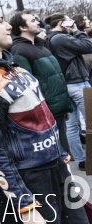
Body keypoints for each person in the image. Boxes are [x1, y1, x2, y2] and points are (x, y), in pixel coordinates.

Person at [0, 6, 88, 223]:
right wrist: (23, 204)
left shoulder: (13, 66)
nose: (8, 26)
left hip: (55, 168)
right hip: (29, 179)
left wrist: (61, 156)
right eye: (0, 21)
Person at [8, 11, 73, 158]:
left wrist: (63, 105)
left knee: (64, 153)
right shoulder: (18, 50)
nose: (38, 22)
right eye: (33, 20)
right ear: (22, 27)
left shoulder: (41, 46)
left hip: (57, 110)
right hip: (46, 113)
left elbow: (54, 78)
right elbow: (27, 87)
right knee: (57, 156)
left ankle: (67, 180)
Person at [45, 12, 92, 170]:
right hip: (77, 83)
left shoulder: (50, 38)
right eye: (68, 21)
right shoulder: (60, 37)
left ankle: (82, 160)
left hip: (67, 84)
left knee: (72, 126)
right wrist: (76, 30)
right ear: (61, 23)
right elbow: (88, 46)